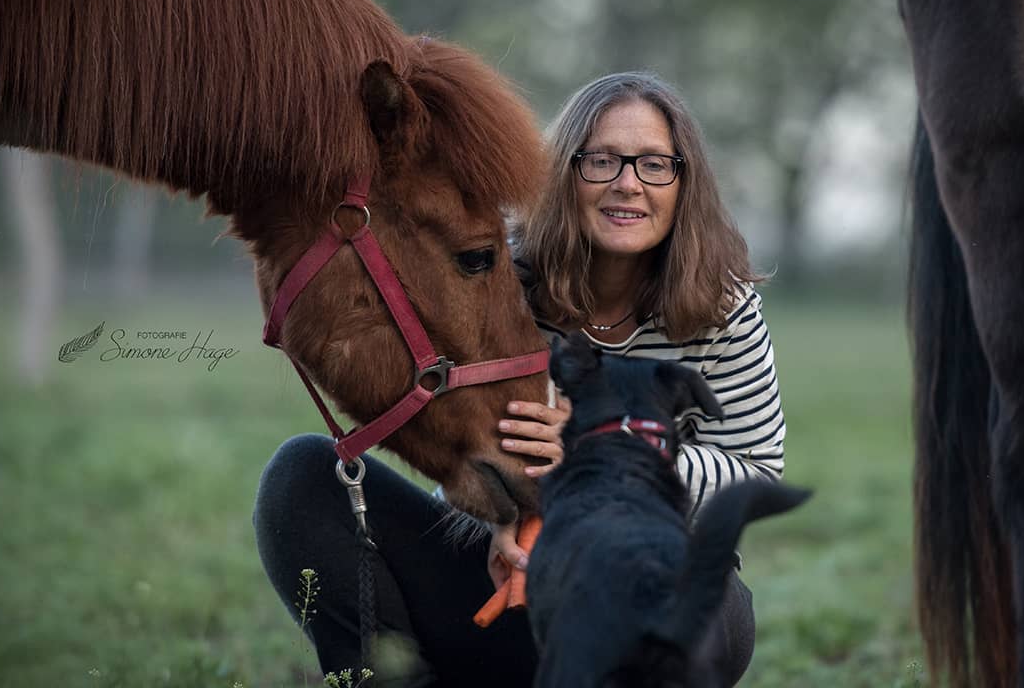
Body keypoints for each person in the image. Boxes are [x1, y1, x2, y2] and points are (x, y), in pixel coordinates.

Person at [253, 71, 787, 687]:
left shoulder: (723, 307)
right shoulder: (492, 268)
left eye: (654, 165)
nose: (628, 184)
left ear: (683, 181)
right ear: (564, 172)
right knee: (303, 475)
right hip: (488, 573)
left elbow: (752, 470)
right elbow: (453, 433)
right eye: (602, 161)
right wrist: (498, 519)